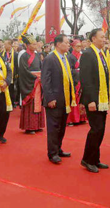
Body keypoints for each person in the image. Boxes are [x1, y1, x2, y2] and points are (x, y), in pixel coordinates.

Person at [80, 29, 110, 173]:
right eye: (102, 37)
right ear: (93, 38)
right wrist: (90, 100)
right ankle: (87, 159)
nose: (104, 39)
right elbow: (86, 80)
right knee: (96, 129)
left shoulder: (101, 54)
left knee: (101, 130)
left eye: (104, 37)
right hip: (94, 99)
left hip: (103, 99)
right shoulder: (88, 54)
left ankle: (95, 159)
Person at [41, 34, 76, 164]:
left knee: (61, 127)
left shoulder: (65, 58)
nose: (68, 45)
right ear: (57, 44)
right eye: (66, 42)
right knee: (53, 127)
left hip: (65, 98)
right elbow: (46, 80)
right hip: (54, 99)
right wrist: (50, 98)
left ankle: (58, 148)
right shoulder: (50, 59)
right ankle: (52, 153)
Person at [18, 34, 44, 134]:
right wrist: (35, 77)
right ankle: (29, 126)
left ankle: (37, 125)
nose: (35, 46)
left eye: (35, 44)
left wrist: (42, 76)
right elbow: (23, 71)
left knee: (38, 102)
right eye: (33, 44)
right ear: (27, 45)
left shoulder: (37, 55)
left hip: (38, 81)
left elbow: (41, 67)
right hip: (31, 82)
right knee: (31, 102)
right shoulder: (24, 56)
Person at [67, 40, 87, 125]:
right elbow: (70, 70)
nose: (79, 48)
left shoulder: (82, 56)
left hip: (82, 79)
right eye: (77, 46)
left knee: (82, 98)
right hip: (75, 80)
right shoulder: (70, 57)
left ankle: (82, 118)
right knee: (74, 98)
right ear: (73, 47)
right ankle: (73, 119)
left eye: (80, 46)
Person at [1, 39, 18, 107]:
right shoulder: (2, 53)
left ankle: (12, 102)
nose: (4, 46)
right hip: (4, 73)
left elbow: (16, 65)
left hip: (12, 73)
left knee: (11, 88)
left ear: (10, 45)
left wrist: (16, 74)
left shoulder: (15, 54)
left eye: (5, 44)